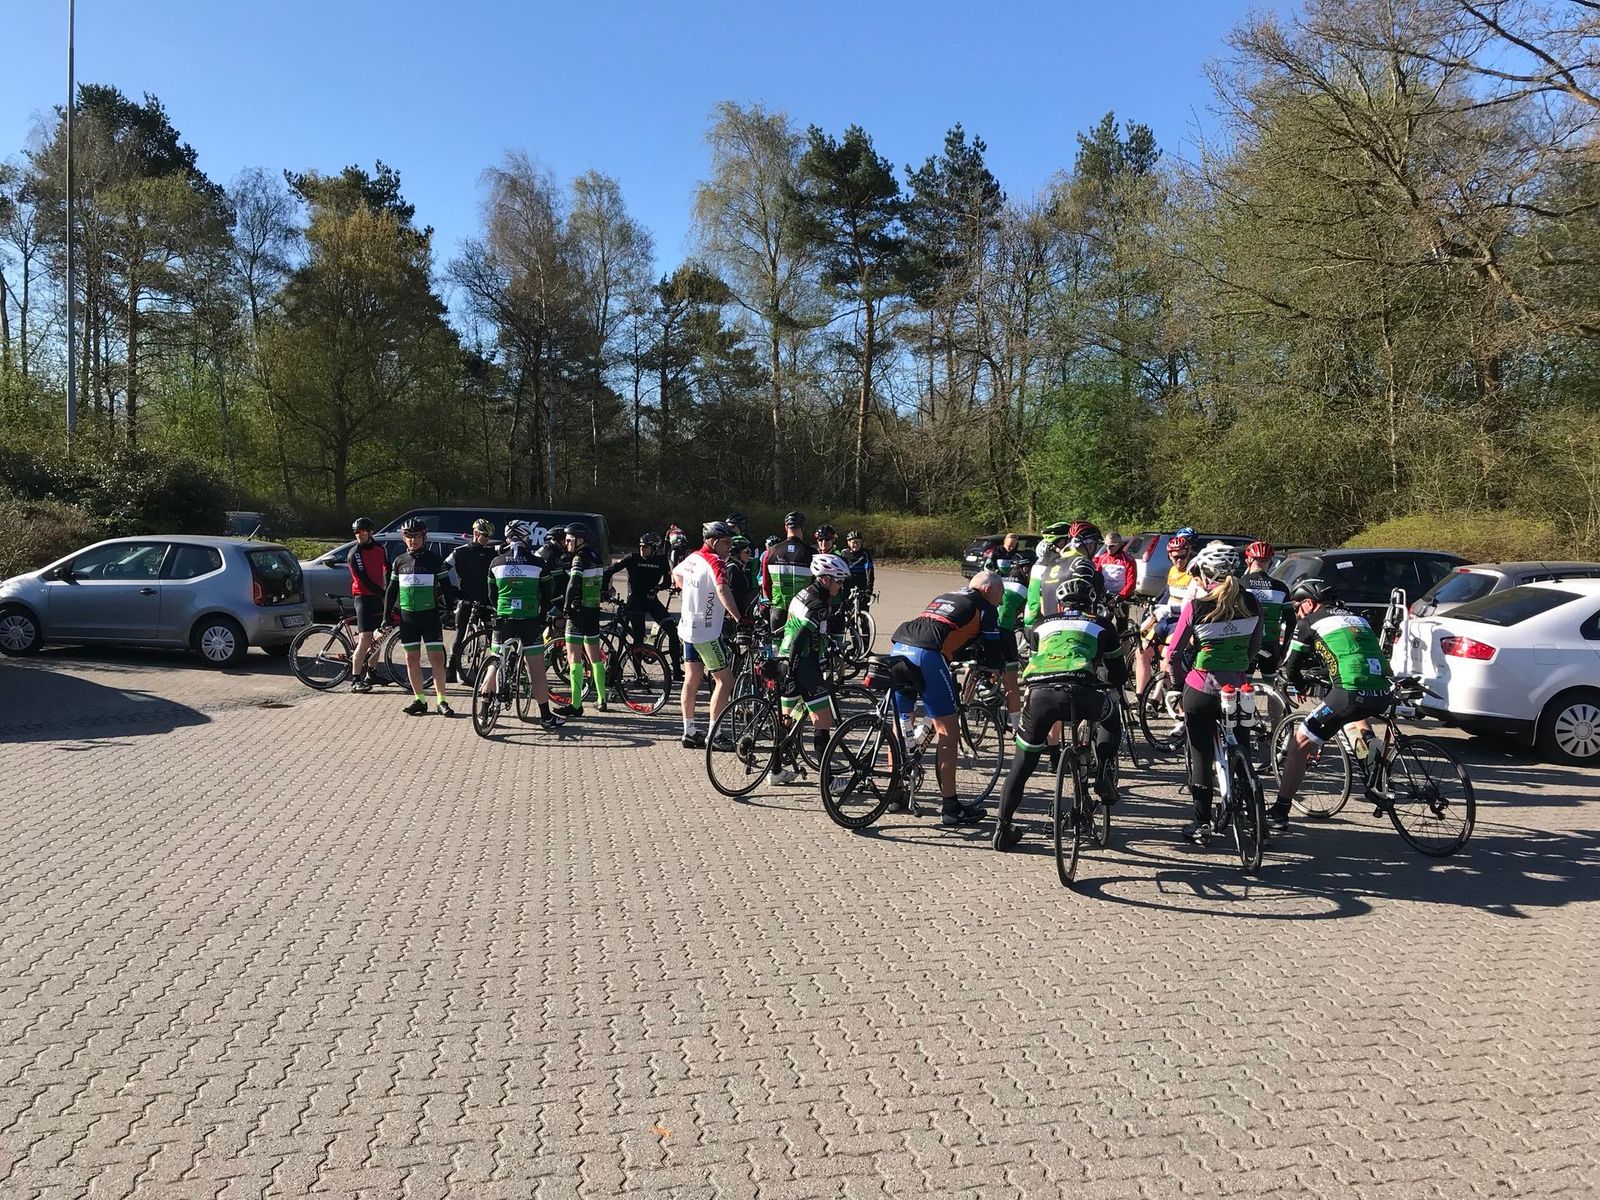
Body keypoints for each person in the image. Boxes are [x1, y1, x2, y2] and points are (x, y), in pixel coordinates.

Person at [992, 574, 1127, 851]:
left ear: (1061, 604)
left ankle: (1002, 828)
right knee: (1111, 716)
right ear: (1092, 603)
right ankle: (1103, 773)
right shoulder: (1102, 624)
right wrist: (1106, 680)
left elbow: (1038, 659)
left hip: (1040, 695)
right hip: (1080, 692)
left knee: (1021, 765)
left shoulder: (1041, 625)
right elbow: (1118, 673)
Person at [1269, 578, 1394, 833]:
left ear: (1309, 603)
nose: (1297, 612)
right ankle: (1374, 771)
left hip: (1349, 693)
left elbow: (1291, 667)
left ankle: (1280, 812)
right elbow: (1350, 655)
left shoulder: (1309, 622)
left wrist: (1298, 684)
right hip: (1383, 689)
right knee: (1355, 715)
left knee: (1300, 743)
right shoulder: (1358, 619)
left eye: (1297, 606)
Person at [888, 572, 1008, 827]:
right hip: (927, 655)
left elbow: (945, 629)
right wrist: (993, 670)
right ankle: (951, 807)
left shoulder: (948, 595)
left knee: (901, 721)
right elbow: (993, 651)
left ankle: (894, 792)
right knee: (947, 730)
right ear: (988, 590)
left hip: (899, 646)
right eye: (1001, 593)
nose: (1002, 599)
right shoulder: (984, 607)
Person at [1164, 541, 1263, 844]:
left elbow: (1173, 654)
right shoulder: (1252, 603)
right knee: (1242, 746)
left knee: (1201, 755)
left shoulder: (1197, 606)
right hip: (1239, 688)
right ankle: (1254, 815)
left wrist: (1178, 682)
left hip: (1202, 689)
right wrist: (1239, 666)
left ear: (1206, 573)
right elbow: (1255, 646)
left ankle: (1202, 823)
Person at [766, 553, 854, 783]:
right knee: (822, 722)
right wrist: (795, 671)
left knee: (786, 721)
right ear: (825, 579)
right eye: (839, 580)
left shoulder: (804, 593)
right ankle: (829, 782)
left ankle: (775, 771)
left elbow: (798, 630)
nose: (841, 586)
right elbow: (800, 640)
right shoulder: (818, 606)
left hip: (784, 658)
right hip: (803, 664)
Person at [482, 520, 562, 728]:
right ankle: (546, 717)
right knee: (537, 671)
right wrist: (541, 615)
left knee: (494, 663)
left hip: (503, 620)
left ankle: (483, 711)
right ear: (526, 538)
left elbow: (491, 594)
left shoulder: (496, 562)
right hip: (529, 622)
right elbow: (547, 595)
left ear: (507, 538)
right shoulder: (538, 563)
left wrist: (501, 608)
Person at [674, 521, 743, 749]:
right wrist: (739, 618)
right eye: (726, 542)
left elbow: (676, 573)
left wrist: (692, 594)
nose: (729, 547)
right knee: (725, 681)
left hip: (687, 628)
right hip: (706, 633)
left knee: (692, 678)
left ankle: (689, 732)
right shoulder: (716, 561)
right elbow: (723, 589)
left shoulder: (693, 557)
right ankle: (715, 734)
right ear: (713, 541)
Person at [384, 519, 456, 716]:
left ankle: (441, 701)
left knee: (436, 659)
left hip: (429, 616)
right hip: (408, 618)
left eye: (416, 536)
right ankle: (420, 699)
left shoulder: (435, 560)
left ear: (424, 537)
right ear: (403, 538)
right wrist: (386, 615)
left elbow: (447, 587)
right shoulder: (399, 561)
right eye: (409, 536)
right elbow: (391, 590)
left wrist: (450, 611)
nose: (413, 540)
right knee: (411, 659)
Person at [603, 531, 683, 680]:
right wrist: (604, 591)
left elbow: (667, 582)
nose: (642, 549)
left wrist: (657, 588)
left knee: (672, 630)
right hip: (635, 602)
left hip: (652, 601)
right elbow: (609, 571)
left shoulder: (661, 560)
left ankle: (677, 671)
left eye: (646, 547)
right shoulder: (632, 558)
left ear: (654, 548)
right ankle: (638, 674)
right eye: (640, 546)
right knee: (639, 638)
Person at [556, 522, 607, 718]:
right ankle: (602, 699)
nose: (566, 543)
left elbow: (573, 582)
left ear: (580, 540)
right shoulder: (596, 556)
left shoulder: (579, 558)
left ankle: (576, 704)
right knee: (595, 658)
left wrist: (566, 606)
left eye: (569, 540)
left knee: (574, 659)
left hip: (577, 612)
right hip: (593, 612)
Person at [1135, 531, 1196, 694]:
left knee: (1166, 658)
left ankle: (1157, 699)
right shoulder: (1173, 571)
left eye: (1182, 556)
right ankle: (1140, 696)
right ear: (1169, 555)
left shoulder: (1193, 574)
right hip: (1166, 620)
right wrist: (1154, 609)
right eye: (1175, 557)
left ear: (1188, 553)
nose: (1179, 560)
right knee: (1141, 652)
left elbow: (1192, 606)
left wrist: (1169, 609)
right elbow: (1167, 595)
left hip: (1181, 622)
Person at [444, 518, 498, 683]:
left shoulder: (491, 552)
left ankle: (497, 669)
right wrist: (451, 590)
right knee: (460, 634)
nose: (487, 539)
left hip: (486, 600)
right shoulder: (460, 552)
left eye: (489, 537)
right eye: (485, 536)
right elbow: (443, 569)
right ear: (475, 533)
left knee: (492, 635)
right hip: (466, 599)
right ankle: (451, 669)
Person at [346, 517, 389, 693]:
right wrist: (384, 595)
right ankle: (355, 680)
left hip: (376, 597)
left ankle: (372, 673)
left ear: (371, 532)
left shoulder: (380, 548)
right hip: (362, 597)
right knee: (365, 638)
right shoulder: (354, 553)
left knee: (377, 638)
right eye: (356, 532)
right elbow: (364, 580)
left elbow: (388, 569)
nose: (359, 535)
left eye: (362, 531)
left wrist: (390, 589)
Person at [1241, 541, 1291, 676]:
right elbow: (1291, 622)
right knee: (1270, 682)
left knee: (1243, 684)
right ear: (1270, 562)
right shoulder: (1281, 587)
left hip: (1245, 643)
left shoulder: (1240, 584)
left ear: (1248, 561)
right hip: (1271, 643)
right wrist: (1284, 649)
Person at [761, 511, 815, 613]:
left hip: (778, 608)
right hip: (802, 610)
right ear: (803, 528)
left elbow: (766, 584)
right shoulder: (812, 553)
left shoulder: (770, 552)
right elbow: (816, 584)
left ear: (786, 528)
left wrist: (775, 600)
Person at [1022, 522, 1074, 628]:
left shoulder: (1040, 561)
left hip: (1031, 621)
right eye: (1071, 540)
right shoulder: (1058, 563)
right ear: (1062, 541)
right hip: (1046, 622)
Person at [1094, 531, 1139, 606]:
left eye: (1112, 546)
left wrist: (1119, 597)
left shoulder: (1129, 560)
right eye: (1106, 545)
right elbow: (1097, 578)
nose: (1108, 548)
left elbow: (1131, 583)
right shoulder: (1102, 558)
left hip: (1121, 599)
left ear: (1120, 545)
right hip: (1104, 597)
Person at [839, 530, 876, 607]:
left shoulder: (865, 554)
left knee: (863, 604)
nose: (856, 545)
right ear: (848, 543)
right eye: (853, 542)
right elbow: (840, 570)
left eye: (858, 542)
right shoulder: (844, 553)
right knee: (845, 605)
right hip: (848, 582)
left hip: (862, 582)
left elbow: (869, 571)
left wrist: (869, 588)